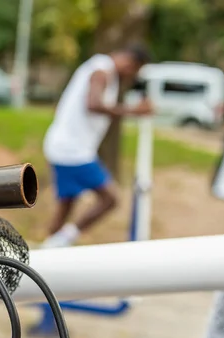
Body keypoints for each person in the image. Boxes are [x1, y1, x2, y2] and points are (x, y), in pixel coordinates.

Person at [41, 45, 153, 249]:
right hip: (73, 151)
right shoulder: (102, 71)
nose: (130, 77)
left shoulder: (97, 67)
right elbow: (93, 104)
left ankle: (50, 247)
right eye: (133, 72)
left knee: (67, 203)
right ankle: (61, 241)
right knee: (110, 199)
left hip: (66, 146)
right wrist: (133, 111)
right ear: (129, 63)